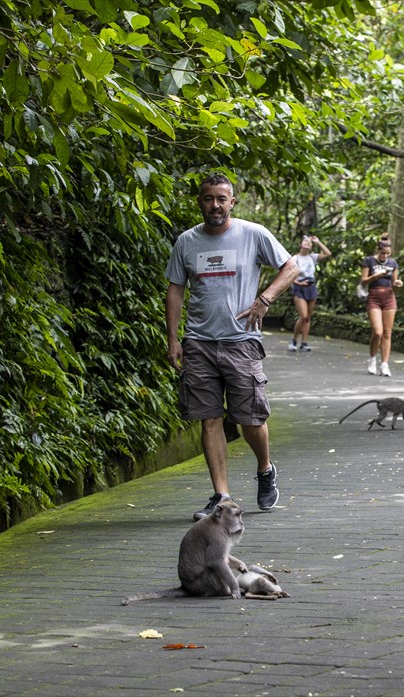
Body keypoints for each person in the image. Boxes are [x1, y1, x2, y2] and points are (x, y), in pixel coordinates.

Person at [165, 173, 298, 520]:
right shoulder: (186, 241)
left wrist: (265, 298)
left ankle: (265, 469)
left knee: (250, 420)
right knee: (209, 419)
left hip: (242, 342)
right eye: (209, 198)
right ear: (200, 201)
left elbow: (291, 267)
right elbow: (176, 290)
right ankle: (222, 496)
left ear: (232, 202)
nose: (215, 205)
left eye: (222, 199)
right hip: (199, 343)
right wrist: (173, 339)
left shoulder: (252, 234)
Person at [359, 237, 403, 377]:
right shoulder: (369, 261)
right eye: (383, 253)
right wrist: (375, 276)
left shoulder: (393, 263)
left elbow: (394, 281)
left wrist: (397, 283)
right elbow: (363, 281)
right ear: (378, 250)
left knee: (387, 332)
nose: (385, 256)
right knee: (377, 331)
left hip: (389, 298)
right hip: (374, 297)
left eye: (388, 254)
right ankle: (372, 359)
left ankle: (385, 364)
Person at [288, 234, 332, 352]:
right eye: (306, 241)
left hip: (311, 287)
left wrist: (318, 242)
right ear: (300, 244)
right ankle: (294, 340)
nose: (308, 243)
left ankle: (304, 343)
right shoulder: (295, 258)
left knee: (308, 318)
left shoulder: (312, 257)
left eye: (310, 242)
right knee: (303, 316)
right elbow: (287, 273)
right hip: (299, 288)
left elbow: (328, 253)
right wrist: (297, 282)